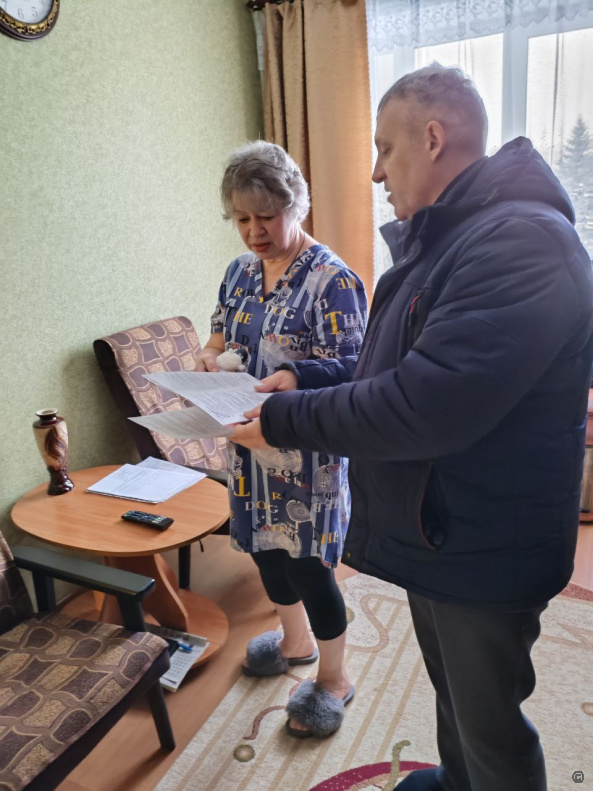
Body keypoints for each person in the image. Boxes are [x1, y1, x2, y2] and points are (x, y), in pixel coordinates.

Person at [230, 65, 593, 790]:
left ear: (432, 138)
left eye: (384, 149)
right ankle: (458, 780)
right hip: (445, 527)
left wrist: (284, 418)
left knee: (491, 722)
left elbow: (423, 407)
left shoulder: (521, 243)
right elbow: (391, 369)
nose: (374, 172)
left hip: (486, 542)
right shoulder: (458, 237)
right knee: (453, 689)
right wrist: (307, 381)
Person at [196, 140, 367, 738]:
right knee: (264, 553)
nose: (254, 232)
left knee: (310, 568)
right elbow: (219, 333)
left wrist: (296, 375)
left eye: (266, 216)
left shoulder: (333, 280)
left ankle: (335, 678)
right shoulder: (239, 273)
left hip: (307, 458)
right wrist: (208, 357)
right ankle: (295, 643)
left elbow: (356, 368)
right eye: (242, 219)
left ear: (295, 205)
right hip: (248, 450)